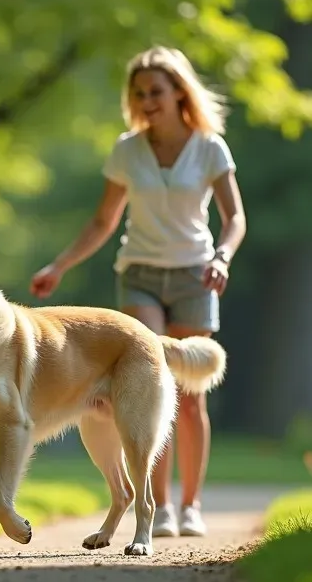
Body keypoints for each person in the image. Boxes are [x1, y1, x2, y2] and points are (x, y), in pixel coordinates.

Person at [29, 45, 247, 537]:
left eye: (156, 92)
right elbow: (104, 220)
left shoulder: (210, 147)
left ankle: (191, 505)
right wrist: (59, 265)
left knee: (190, 399)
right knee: (150, 389)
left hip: (196, 271)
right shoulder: (127, 150)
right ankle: (160, 507)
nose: (148, 100)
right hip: (140, 274)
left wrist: (222, 257)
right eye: (139, 93)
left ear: (178, 93)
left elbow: (235, 218)